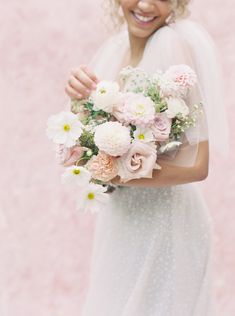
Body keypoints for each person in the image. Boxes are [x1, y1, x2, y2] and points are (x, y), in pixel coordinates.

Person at [65, 1, 228, 315]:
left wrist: (117, 173)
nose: (144, 4)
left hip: (165, 222)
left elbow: (198, 164)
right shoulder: (115, 49)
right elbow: (91, 129)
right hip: (121, 218)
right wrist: (78, 101)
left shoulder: (173, 45)